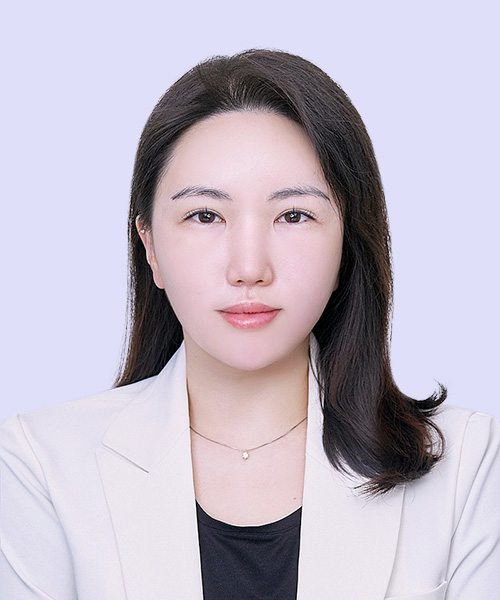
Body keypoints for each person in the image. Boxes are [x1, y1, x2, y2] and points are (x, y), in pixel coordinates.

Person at [0, 49, 499, 600]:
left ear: (347, 244)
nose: (249, 268)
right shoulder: (42, 462)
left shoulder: (466, 462)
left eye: (294, 215)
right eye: (205, 215)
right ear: (150, 246)